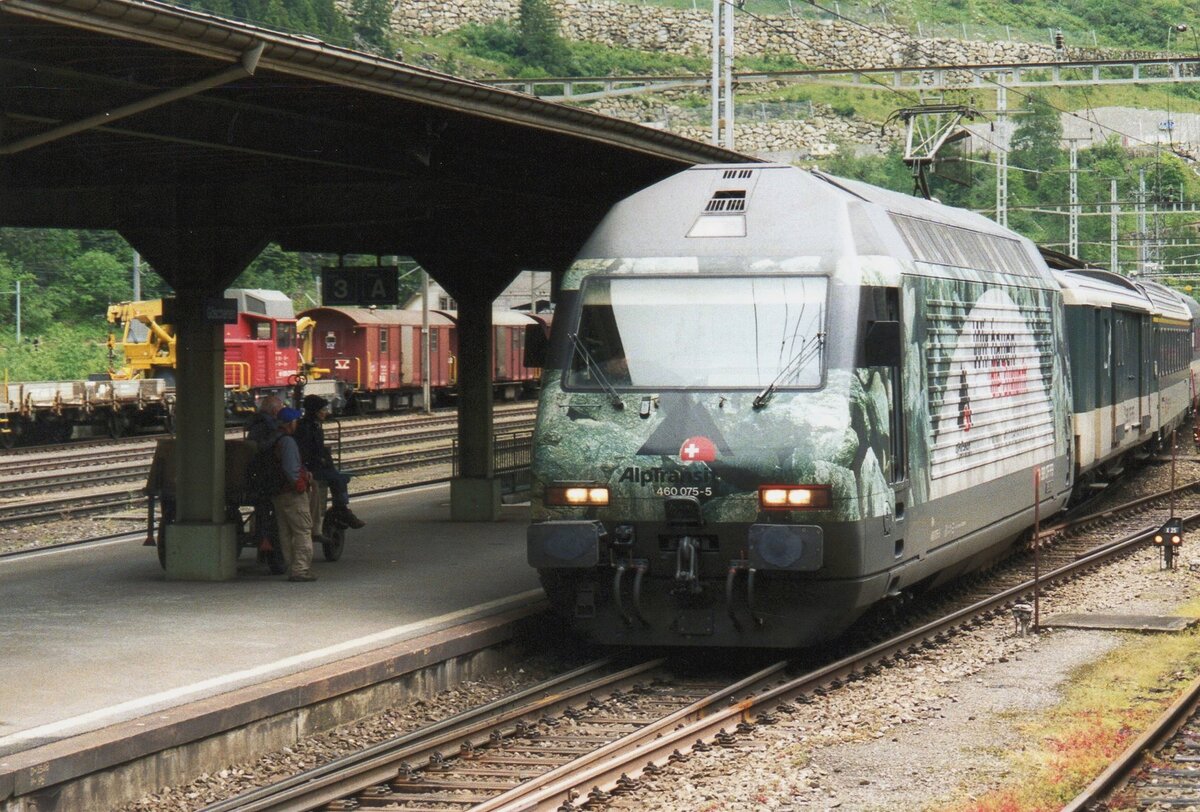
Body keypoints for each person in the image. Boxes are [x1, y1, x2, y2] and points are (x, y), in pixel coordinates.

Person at [296, 394, 365, 529]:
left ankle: (341, 509)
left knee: (339, 477)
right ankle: (342, 510)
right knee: (339, 479)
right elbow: (307, 451)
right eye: (323, 410)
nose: (326, 412)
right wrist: (321, 460)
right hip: (311, 468)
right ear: (315, 411)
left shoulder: (311, 426)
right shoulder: (308, 428)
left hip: (313, 465)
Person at [273, 407, 317, 582]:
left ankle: (292, 566)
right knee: (302, 530)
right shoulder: (288, 442)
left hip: (278, 494)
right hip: (292, 494)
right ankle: (300, 569)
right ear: (291, 423)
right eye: (296, 421)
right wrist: (301, 485)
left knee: (285, 532)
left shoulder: (273, 439)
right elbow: (291, 471)